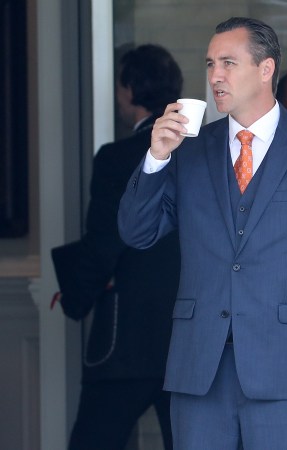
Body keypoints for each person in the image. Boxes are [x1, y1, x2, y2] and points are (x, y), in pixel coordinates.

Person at [117, 17, 287, 450]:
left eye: (229, 63)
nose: (215, 75)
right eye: (210, 64)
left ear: (266, 68)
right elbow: (136, 232)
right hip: (200, 370)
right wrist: (156, 157)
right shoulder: (189, 150)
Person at [53, 44, 183, 450]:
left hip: (125, 336)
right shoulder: (201, 156)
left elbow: (106, 241)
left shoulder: (117, 157)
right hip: (188, 337)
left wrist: (76, 296)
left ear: (128, 89)